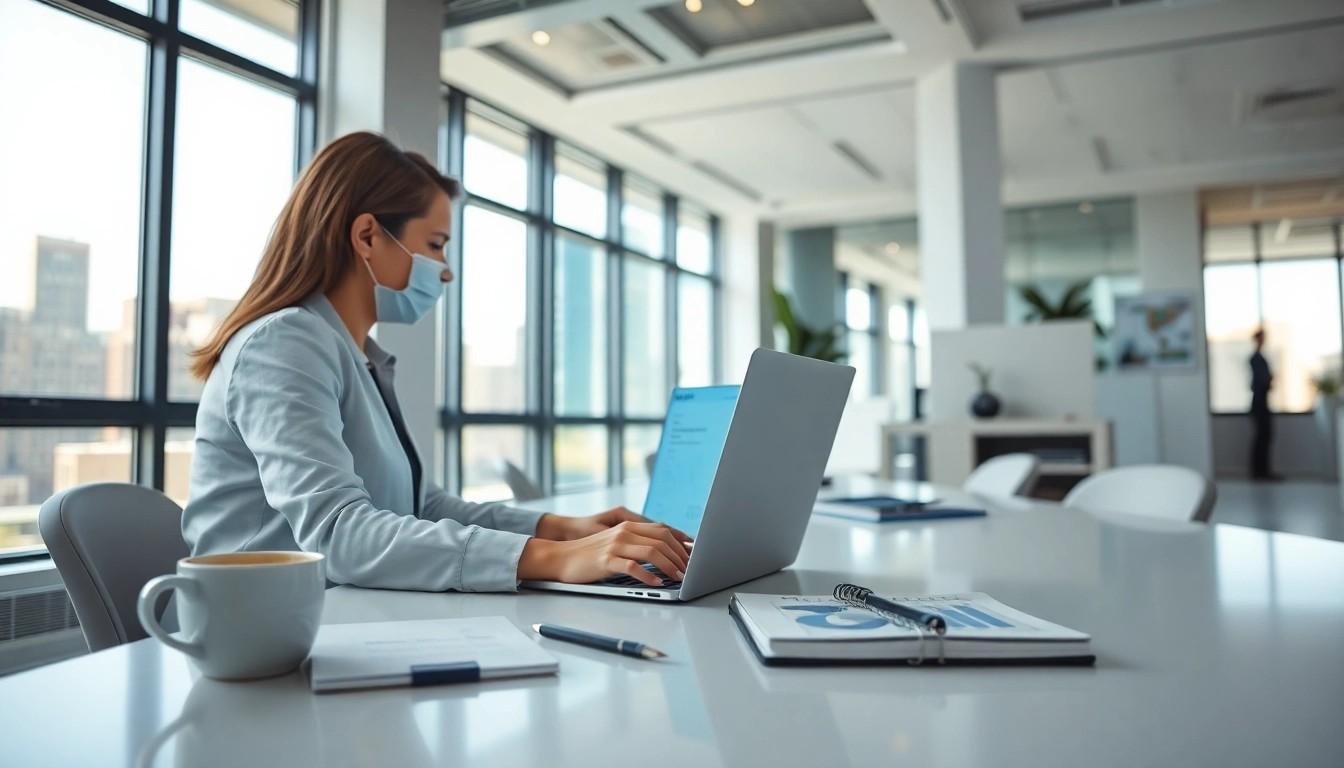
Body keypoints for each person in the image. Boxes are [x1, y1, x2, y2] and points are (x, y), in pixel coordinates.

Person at [182, 132, 690, 592]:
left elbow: (421, 506)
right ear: (366, 237)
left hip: (337, 615)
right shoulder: (283, 343)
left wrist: (563, 530)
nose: (445, 273)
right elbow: (337, 532)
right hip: (263, 633)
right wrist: (555, 558)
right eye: (435, 246)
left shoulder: (355, 354)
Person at [1248, 329, 1279, 481]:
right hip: (1259, 403)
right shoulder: (1256, 358)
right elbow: (1260, 381)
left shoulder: (1259, 357)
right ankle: (1260, 472)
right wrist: (1268, 379)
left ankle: (1262, 471)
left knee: (1265, 437)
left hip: (1262, 401)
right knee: (1262, 437)